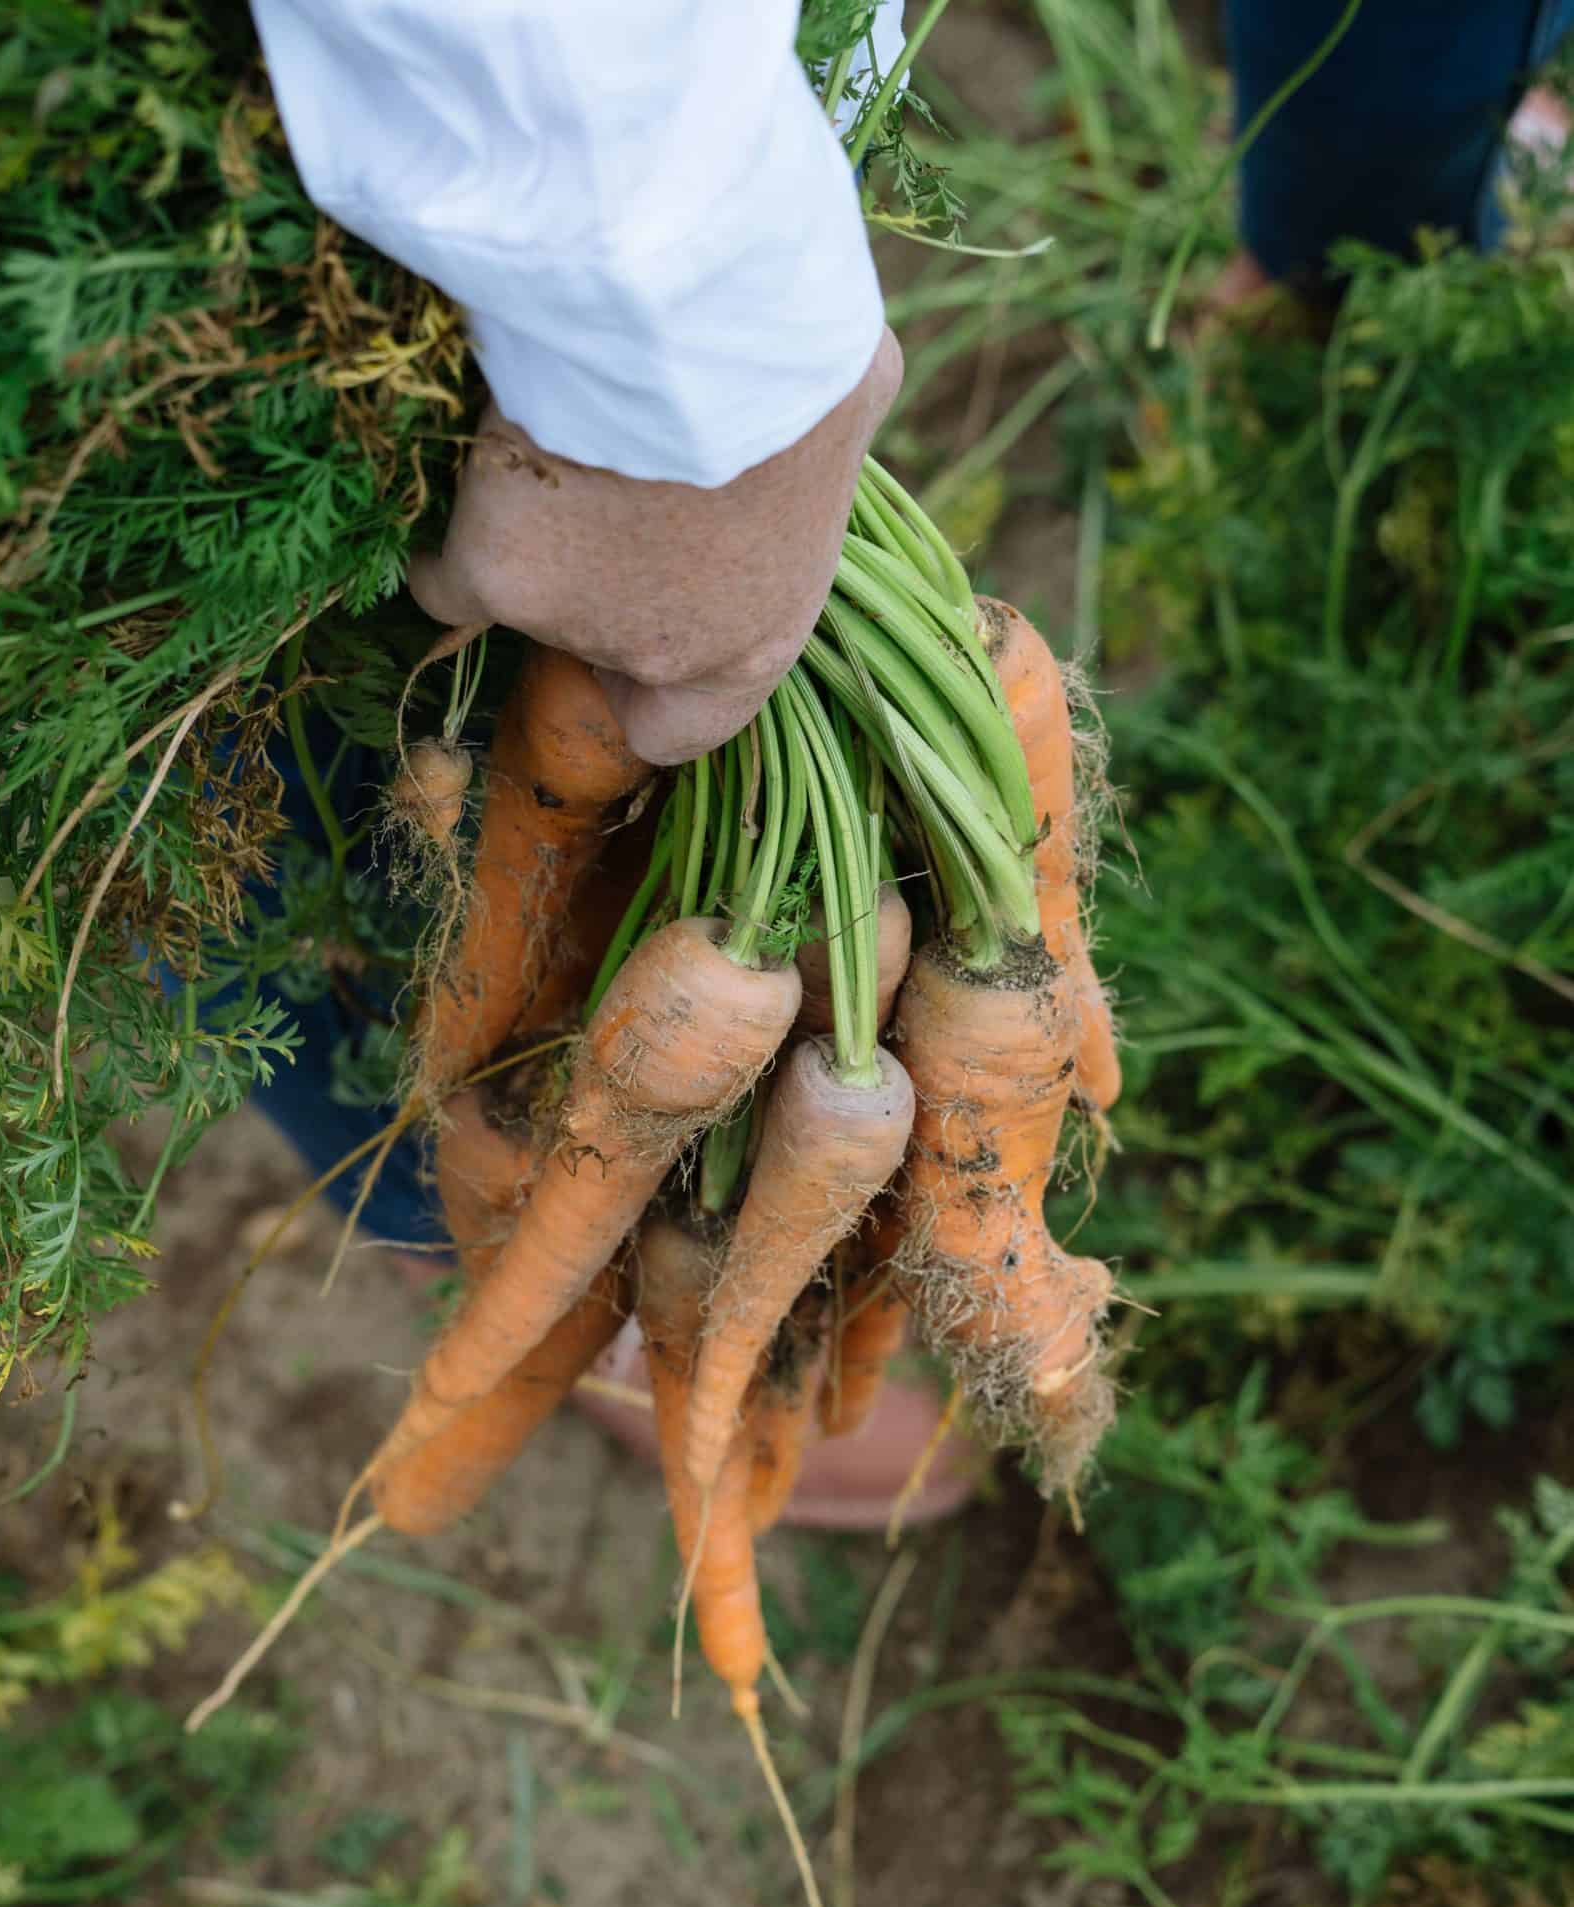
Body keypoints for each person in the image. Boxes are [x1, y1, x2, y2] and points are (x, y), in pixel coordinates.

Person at [233, 0, 1572, 1521]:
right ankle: (487, 1221)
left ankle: (541, 1224)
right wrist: (689, 391)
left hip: (627, 133)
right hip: (433, 155)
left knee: (553, 768)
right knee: (315, 742)